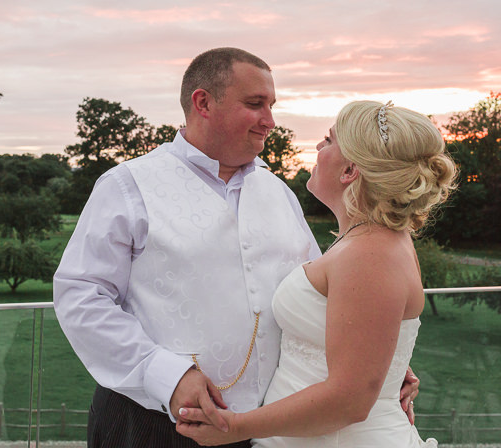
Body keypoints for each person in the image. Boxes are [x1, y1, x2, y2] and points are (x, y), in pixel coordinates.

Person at [53, 48, 419, 448]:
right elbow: (81, 297)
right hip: (151, 426)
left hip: (267, 429)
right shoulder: (127, 186)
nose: (270, 121)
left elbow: (331, 298)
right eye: (255, 104)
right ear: (203, 102)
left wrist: (378, 358)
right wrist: (166, 376)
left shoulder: (281, 194)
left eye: (272, 106)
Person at [175, 100, 456, 447]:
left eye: (328, 140)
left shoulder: (370, 253)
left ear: (350, 170)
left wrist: (235, 426)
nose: (319, 148)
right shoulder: (367, 242)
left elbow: (348, 401)